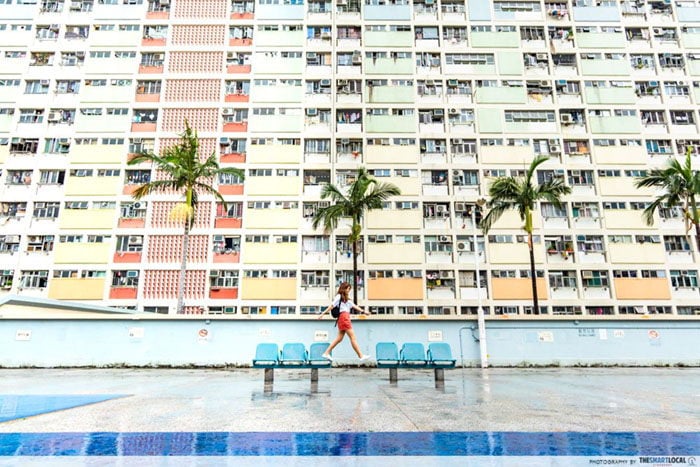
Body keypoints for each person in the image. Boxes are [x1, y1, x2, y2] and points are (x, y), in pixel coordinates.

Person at [317, 281, 371, 362]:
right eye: (348, 289)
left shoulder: (346, 299)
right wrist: (322, 314)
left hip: (343, 318)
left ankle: (326, 353)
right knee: (353, 337)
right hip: (344, 318)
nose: (349, 290)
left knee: (339, 339)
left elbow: (354, 306)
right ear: (344, 288)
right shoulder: (339, 297)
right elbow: (331, 306)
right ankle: (361, 355)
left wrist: (364, 312)